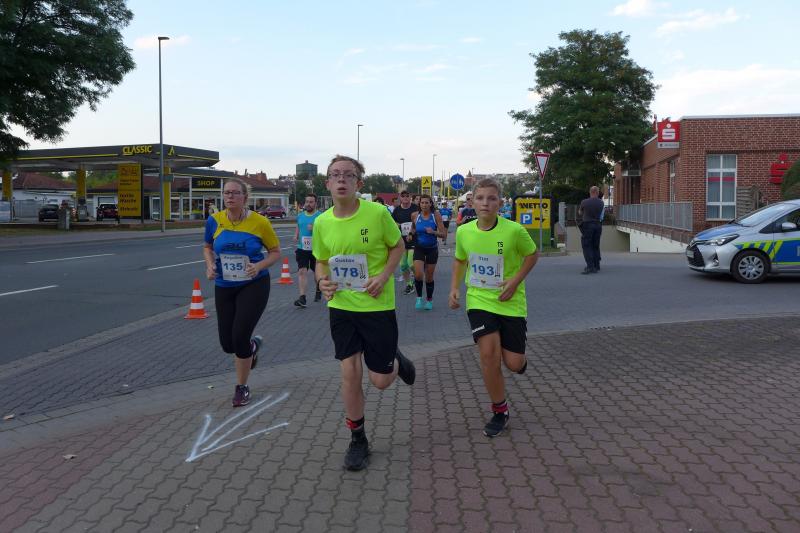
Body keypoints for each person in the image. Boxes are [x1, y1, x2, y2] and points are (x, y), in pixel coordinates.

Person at [314, 155, 416, 471]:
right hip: (341, 307)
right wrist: (322, 281)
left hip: (376, 306)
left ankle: (395, 361)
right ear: (328, 183)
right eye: (335, 174)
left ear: (358, 183)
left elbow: (398, 247)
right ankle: (358, 439)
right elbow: (321, 260)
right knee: (349, 372)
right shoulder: (322, 222)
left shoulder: (377, 213)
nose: (341, 179)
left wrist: (384, 277)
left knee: (381, 380)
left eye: (348, 175)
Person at [448, 178, 539, 437]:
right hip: (478, 300)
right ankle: (500, 411)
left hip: (509, 301)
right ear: (472, 202)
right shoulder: (464, 232)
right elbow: (460, 260)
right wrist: (454, 288)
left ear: (500, 202)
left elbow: (532, 254)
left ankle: (520, 362)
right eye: (480, 198)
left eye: (491, 198)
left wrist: (515, 281)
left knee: (513, 363)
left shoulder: (514, 231)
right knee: (488, 354)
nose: (485, 203)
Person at [203, 177, 281, 407]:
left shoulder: (260, 222)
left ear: (245, 197)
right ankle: (252, 347)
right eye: (226, 193)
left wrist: (258, 266)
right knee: (228, 344)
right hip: (224, 285)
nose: (230, 197)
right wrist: (210, 265)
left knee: (239, 337)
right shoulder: (214, 221)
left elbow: (275, 252)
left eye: (235, 193)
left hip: (253, 284)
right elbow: (207, 247)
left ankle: (241, 387)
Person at [410, 194, 446, 310]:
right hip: (419, 248)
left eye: (427, 203)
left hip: (432, 249)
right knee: (418, 274)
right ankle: (419, 298)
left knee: (429, 277)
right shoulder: (415, 215)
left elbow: (443, 234)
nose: (424, 205)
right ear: (419, 204)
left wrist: (433, 232)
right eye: (422, 203)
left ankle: (429, 300)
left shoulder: (436, 215)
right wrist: (410, 234)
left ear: (431, 204)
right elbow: (413, 228)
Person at [294, 193, 323, 308]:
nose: (308, 204)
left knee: (317, 273)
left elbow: (326, 232)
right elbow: (298, 225)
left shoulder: (320, 216)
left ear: (315, 203)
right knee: (302, 271)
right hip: (302, 249)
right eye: (307, 202)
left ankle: (319, 289)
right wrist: (296, 235)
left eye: (311, 202)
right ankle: (302, 298)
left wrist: (315, 228)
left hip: (317, 250)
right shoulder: (300, 216)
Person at [391, 190, 419, 295]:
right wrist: (397, 224)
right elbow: (391, 222)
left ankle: (417, 277)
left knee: (411, 263)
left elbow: (419, 221)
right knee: (403, 265)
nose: (405, 198)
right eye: (403, 196)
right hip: (401, 240)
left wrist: (412, 232)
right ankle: (409, 284)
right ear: (400, 198)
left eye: (407, 196)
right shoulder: (397, 210)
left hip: (414, 239)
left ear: (410, 197)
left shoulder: (415, 208)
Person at [578, 186, 604, 274]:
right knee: (595, 245)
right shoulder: (601, 203)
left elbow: (580, 212)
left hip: (588, 225)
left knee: (586, 245)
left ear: (590, 192)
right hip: (598, 225)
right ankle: (597, 265)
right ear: (597, 192)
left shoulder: (584, 202)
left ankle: (590, 266)